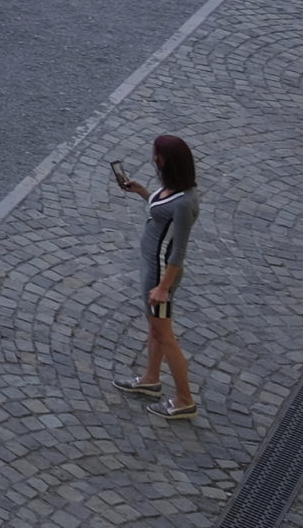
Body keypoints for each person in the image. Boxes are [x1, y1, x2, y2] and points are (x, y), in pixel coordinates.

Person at [114, 134, 200, 420]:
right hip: (151, 270)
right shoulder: (171, 190)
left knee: (165, 336)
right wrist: (142, 191)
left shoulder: (185, 204)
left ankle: (184, 398)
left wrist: (162, 288)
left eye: (157, 156)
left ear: (170, 161)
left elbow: (178, 252)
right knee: (155, 330)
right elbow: (161, 210)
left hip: (160, 275)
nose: (154, 159)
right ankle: (151, 378)